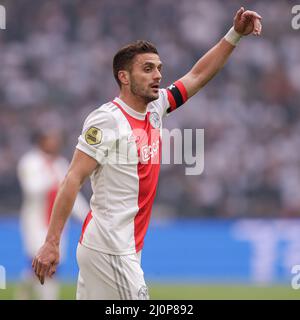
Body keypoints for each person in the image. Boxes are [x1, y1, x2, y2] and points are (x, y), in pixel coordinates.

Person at [32, 7, 262, 299]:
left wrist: (235, 35)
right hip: (110, 248)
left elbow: (198, 75)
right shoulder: (107, 119)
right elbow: (72, 179)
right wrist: (52, 242)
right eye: (148, 68)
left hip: (122, 247)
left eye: (159, 68)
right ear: (124, 77)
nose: (157, 75)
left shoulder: (156, 108)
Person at [17, 129, 89, 299]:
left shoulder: (61, 164)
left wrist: (86, 216)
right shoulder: (30, 162)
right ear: (41, 140)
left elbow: (72, 194)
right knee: (39, 260)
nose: (54, 143)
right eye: (50, 139)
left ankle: (25, 290)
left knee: (52, 263)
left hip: (57, 223)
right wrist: (54, 180)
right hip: (36, 222)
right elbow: (31, 188)